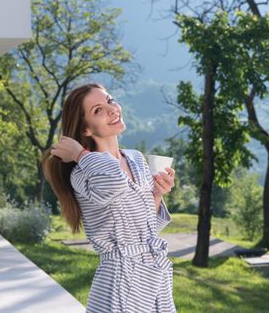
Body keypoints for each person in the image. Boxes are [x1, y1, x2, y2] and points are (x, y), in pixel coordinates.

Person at [41, 83, 177, 312]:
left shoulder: (135, 159)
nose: (112, 109)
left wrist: (156, 193)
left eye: (110, 101)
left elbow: (146, 228)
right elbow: (114, 181)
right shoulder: (83, 172)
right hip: (120, 283)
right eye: (98, 110)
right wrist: (79, 154)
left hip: (154, 277)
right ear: (86, 130)